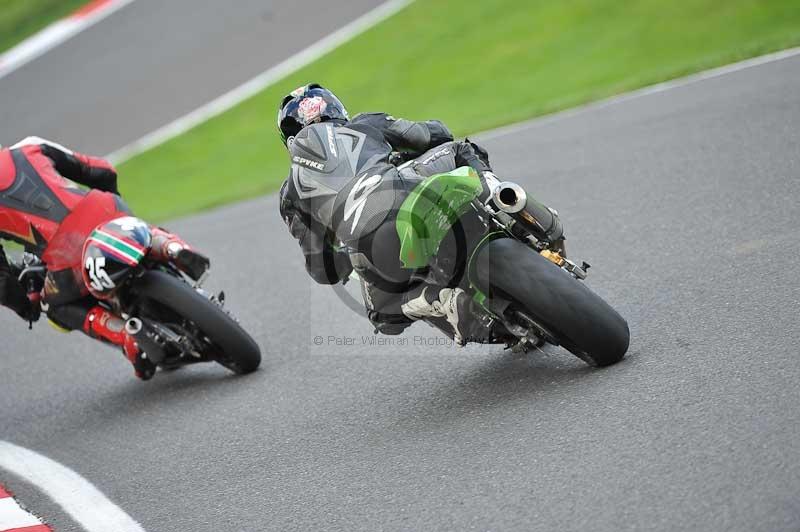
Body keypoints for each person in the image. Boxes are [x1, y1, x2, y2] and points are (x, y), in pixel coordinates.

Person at [277, 84, 555, 344]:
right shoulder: (364, 124)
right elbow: (434, 133)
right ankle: (504, 201)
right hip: (407, 189)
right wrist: (401, 157)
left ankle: (438, 301)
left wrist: (342, 249)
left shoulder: (290, 192)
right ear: (336, 109)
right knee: (460, 149)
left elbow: (324, 270)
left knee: (383, 317)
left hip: (368, 245)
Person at [0, 137, 208, 379]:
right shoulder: (30, 146)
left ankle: (126, 336)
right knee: (139, 230)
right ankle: (172, 248)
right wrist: (114, 207)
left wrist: (27, 307)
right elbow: (100, 170)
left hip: (66, 252)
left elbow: (2, 284)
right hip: (105, 209)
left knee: (55, 306)